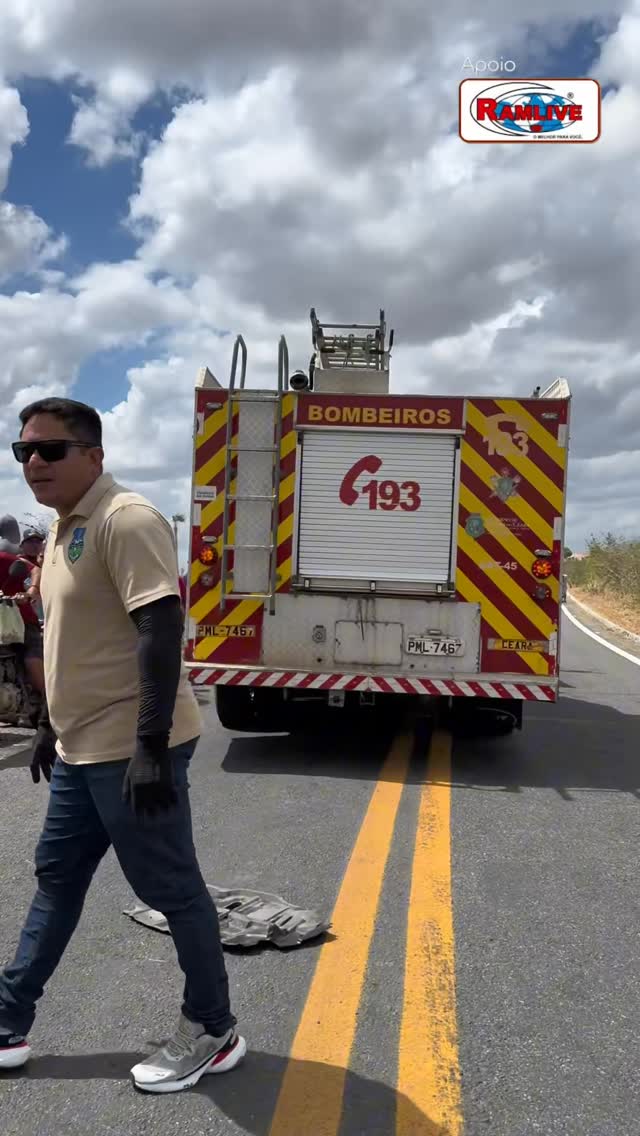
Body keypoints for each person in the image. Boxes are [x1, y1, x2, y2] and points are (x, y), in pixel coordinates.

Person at [0, 396, 245, 1093]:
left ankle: (213, 1028)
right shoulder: (58, 529)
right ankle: (8, 1018)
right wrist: (50, 724)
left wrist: (150, 745)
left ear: (94, 455)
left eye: (51, 450)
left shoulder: (125, 519)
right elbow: (63, 636)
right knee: (57, 878)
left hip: (134, 745)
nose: (34, 463)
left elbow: (160, 630)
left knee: (171, 888)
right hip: (80, 748)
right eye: (24, 452)